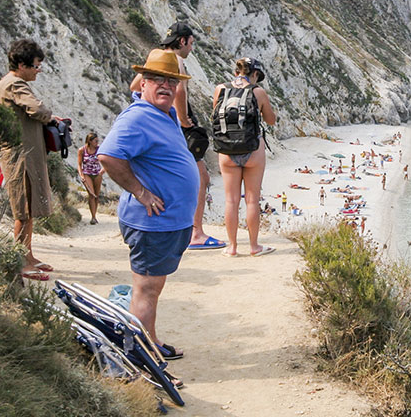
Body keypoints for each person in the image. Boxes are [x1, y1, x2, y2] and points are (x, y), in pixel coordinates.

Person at [99, 49, 199, 361]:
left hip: (167, 223)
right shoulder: (138, 117)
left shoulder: (161, 110)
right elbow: (108, 156)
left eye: (171, 80)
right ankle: (140, 357)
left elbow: (143, 90)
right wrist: (141, 193)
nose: (165, 85)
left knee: (153, 288)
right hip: (151, 222)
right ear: (143, 82)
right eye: (156, 79)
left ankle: (150, 341)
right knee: (146, 289)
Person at [130, 22, 222, 250]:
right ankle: (195, 233)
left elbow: (135, 86)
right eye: (191, 44)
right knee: (200, 177)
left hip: (156, 121)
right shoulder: (176, 60)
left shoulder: (156, 57)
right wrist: (182, 119)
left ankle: (178, 226)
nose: (191, 49)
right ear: (182, 41)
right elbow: (180, 90)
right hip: (176, 124)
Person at [0, 39, 55, 281]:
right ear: (21, 65)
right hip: (20, 157)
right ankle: (19, 263)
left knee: (27, 209)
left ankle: (27, 256)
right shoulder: (15, 84)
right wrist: (50, 116)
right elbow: (36, 109)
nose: (37, 71)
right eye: (36, 66)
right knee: (22, 210)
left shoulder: (8, 82)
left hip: (22, 155)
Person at [210, 58, 277, 257]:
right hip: (252, 150)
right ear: (254, 74)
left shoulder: (220, 88)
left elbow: (214, 114)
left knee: (231, 201)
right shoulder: (258, 92)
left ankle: (232, 247)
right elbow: (271, 121)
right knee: (252, 200)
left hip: (227, 150)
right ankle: (254, 246)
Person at [77, 132, 104, 225]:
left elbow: (106, 160)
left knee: (96, 195)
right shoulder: (82, 150)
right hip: (87, 174)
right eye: (95, 141)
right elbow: (79, 164)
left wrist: (103, 170)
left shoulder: (100, 149)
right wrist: (81, 175)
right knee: (91, 195)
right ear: (90, 141)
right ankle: (93, 217)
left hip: (97, 174)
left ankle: (95, 215)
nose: (97, 142)